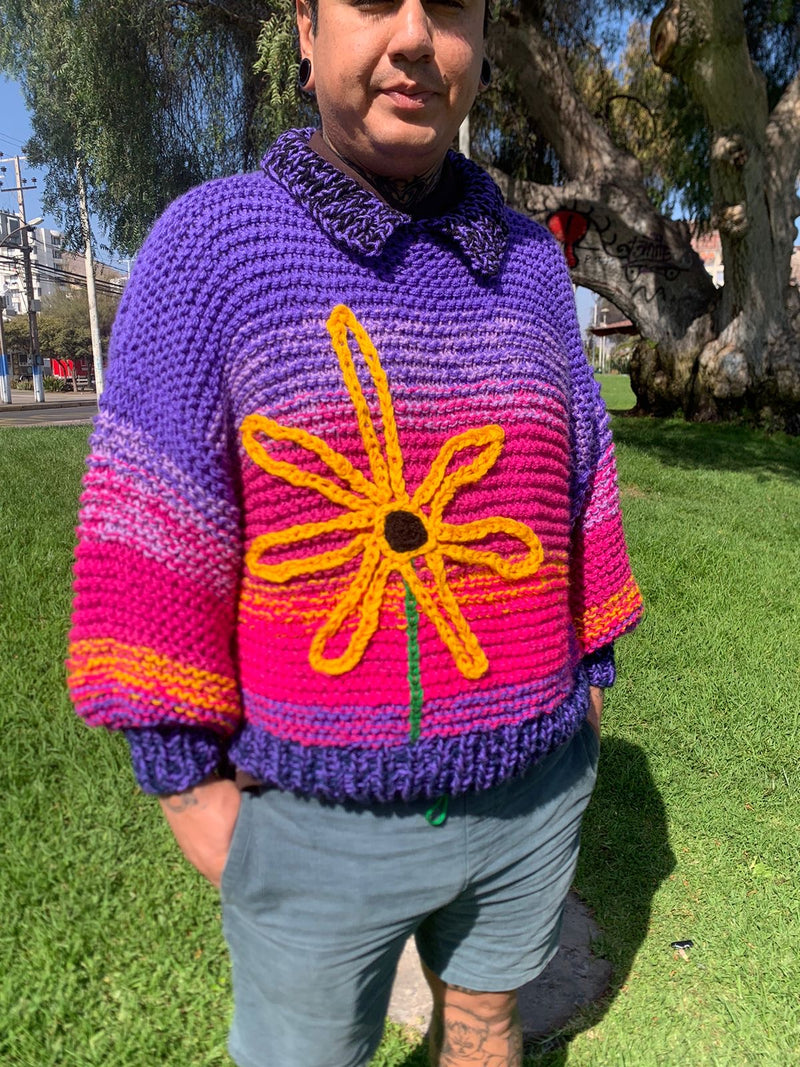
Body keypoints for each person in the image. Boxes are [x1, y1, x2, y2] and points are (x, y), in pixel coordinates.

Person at [67, 0, 642, 1063]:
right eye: (374, 0)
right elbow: (149, 525)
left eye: (451, 6)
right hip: (310, 823)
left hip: (531, 790)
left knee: (486, 1020)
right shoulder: (213, 247)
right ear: (305, 27)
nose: (415, 36)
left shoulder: (527, 263)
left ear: (481, 39)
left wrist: (590, 675)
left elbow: (579, 475)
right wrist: (187, 780)